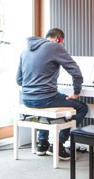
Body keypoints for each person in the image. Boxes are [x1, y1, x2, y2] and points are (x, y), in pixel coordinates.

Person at [16, 28, 88, 159]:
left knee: (51, 103)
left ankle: (42, 143)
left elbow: (19, 80)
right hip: (45, 99)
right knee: (82, 107)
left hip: (26, 98)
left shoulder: (26, 50)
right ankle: (58, 145)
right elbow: (76, 71)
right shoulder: (55, 46)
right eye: (62, 43)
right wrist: (76, 92)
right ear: (59, 39)